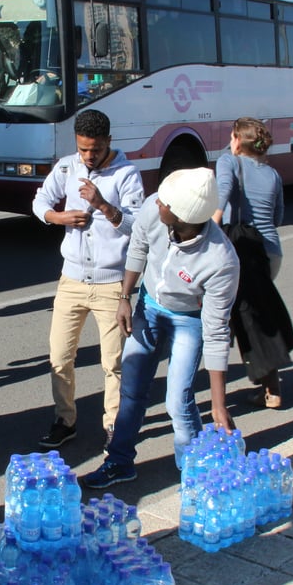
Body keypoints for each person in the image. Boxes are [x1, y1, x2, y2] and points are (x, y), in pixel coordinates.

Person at [81, 168, 239, 489]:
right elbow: (138, 246)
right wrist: (125, 297)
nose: (156, 203)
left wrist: (219, 407)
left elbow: (216, 332)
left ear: (180, 216)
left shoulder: (220, 260)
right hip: (149, 307)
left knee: (177, 401)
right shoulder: (156, 208)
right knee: (132, 389)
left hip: (188, 321)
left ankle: (195, 471)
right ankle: (119, 461)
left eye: (164, 203)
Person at [31, 110, 145, 451]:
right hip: (72, 279)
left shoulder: (127, 173)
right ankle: (65, 420)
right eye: (82, 149)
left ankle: (113, 425)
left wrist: (104, 206)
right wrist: (56, 216)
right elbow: (39, 201)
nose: (88, 157)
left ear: (109, 142)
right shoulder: (67, 167)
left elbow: (138, 227)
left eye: (94, 149)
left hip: (111, 283)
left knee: (113, 362)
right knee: (59, 356)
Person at [213, 117, 293, 409]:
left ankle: (219, 399)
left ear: (237, 139)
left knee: (224, 322)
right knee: (251, 317)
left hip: (239, 252)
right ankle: (270, 388)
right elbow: (277, 218)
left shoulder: (228, 162)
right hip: (270, 253)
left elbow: (221, 194)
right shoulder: (272, 174)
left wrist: (210, 230)